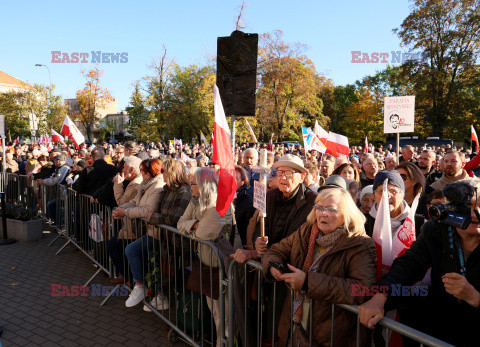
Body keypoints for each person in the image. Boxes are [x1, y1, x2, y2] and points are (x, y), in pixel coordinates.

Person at [358, 179, 480, 346]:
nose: (475, 213)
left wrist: (475, 297)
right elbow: (408, 265)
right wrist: (380, 296)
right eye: (469, 206)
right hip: (439, 335)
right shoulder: (436, 230)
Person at [262, 187, 376, 346]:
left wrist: (308, 282)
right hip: (294, 328)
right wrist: (274, 267)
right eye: (319, 208)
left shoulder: (360, 244)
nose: (323, 214)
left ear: (346, 214)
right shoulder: (307, 231)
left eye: (331, 210)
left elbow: (362, 289)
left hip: (330, 336)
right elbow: (275, 251)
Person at [178, 167, 233, 347]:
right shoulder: (197, 200)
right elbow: (180, 223)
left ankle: (222, 344)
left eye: (193, 183)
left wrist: (193, 229)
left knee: (223, 316)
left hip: (221, 268)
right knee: (216, 312)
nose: (190, 186)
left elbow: (202, 235)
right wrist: (194, 225)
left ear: (203, 185)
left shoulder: (218, 204)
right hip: (207, 265)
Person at [112, 159, 165, 306]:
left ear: (149, 173)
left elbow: (148, 210)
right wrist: (121, 209)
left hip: (155, 232)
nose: (140, 173)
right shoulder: (145, 184)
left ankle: (140, 286)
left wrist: (126, 212)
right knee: (151, 262)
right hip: (145, 229)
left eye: (142, 171)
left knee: (132, 250)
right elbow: (135, 202)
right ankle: (154, 293)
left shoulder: (157, 186)